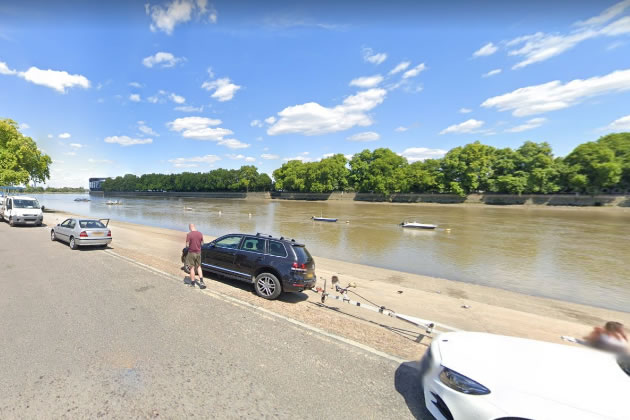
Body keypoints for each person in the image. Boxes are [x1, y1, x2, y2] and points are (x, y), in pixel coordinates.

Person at [185, 224, 205, 289]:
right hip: (198, 253)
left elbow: (187, 245)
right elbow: (202, 243)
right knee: (199, 267)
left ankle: (193, 283)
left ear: (190, 227)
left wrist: (190, 245)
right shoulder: (200, 233)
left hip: (191, 253)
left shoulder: (189, 234)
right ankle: (201, 282)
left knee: (192, 268)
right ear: (194, 226)